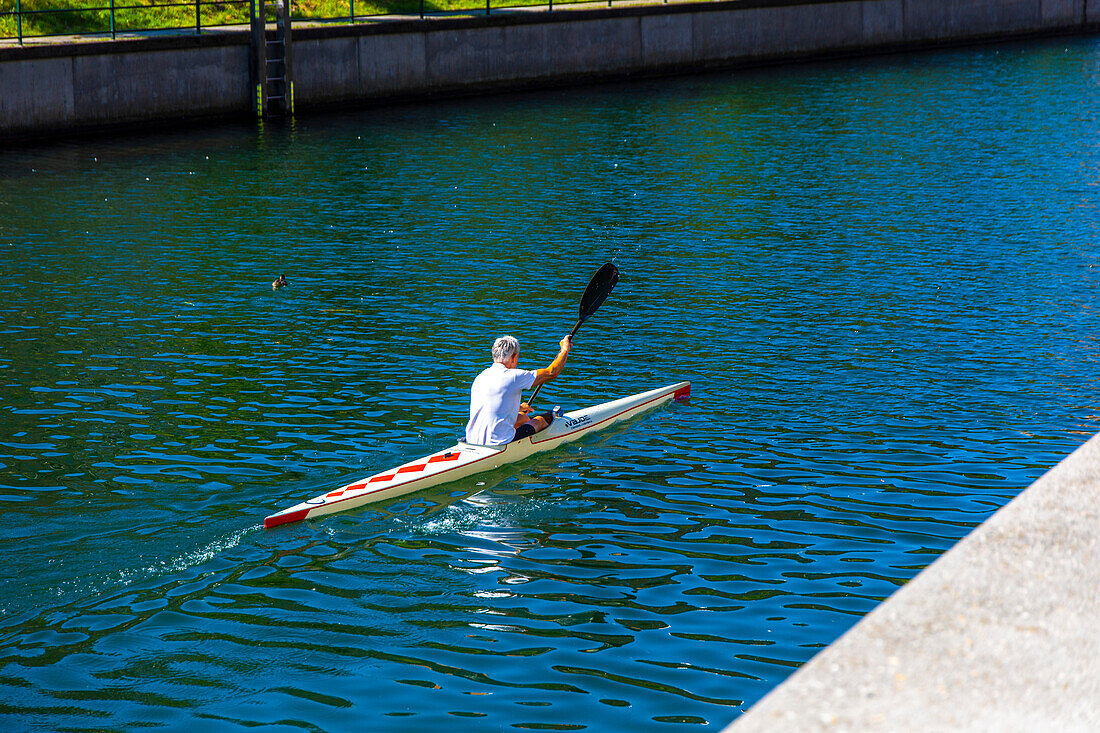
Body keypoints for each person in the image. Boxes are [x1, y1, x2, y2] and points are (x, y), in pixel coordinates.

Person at [465, 334, 572, 445]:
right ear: (514, 357)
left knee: (523, 417)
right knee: (540, 420)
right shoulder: (514, 376)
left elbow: (490, 404)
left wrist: (519, 407)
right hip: (497, 445)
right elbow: (551, 372)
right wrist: (564, 350)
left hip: (470, 441)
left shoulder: (480, 377)